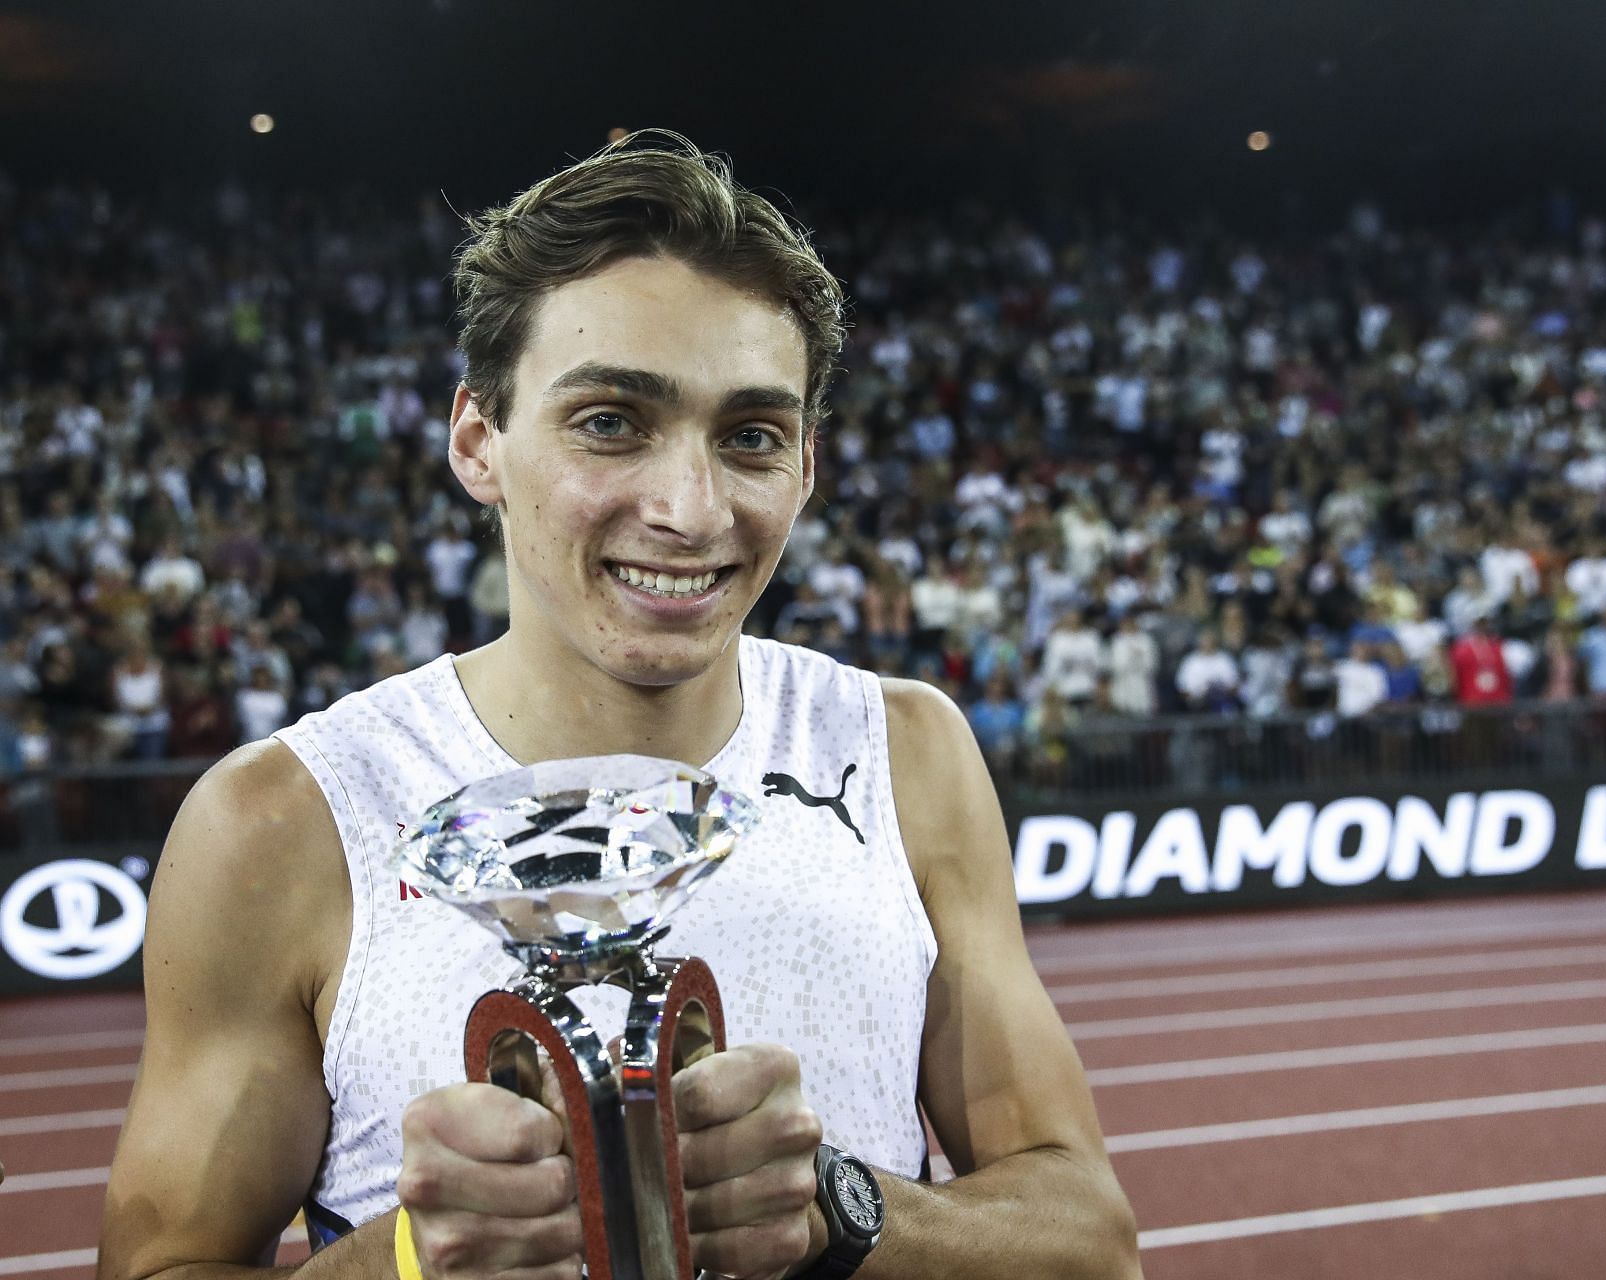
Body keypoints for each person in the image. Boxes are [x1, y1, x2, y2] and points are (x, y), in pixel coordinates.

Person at [100, 133, 1138, 1280]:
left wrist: (844, 1209)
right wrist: (404, 1261)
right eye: (611, 421)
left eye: (750, 437)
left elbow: (1091, 1238)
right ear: (478, 440)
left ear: (805, 466)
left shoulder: (905, 751)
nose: (690, 510)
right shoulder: (284, 818)